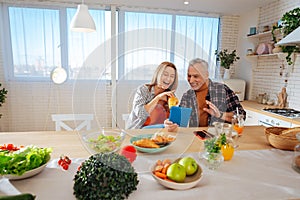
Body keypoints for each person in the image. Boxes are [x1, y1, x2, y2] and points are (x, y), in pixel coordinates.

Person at [165, 58, 246, 130]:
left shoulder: (222, 90)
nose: (191, 80)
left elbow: (241, 116)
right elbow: (179, 122)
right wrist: (169, 123)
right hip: (196, 139)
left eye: (196, 76)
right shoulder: (187, 96)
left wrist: (220, 115)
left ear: (206, 75)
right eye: (189, 76)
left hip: (219, 140)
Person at [126, 61, 178, 129]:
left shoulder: (171, 96)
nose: (168, 79)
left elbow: (173, 121)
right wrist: (158, 98)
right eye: (165, 74)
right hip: (138, 131)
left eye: (172, 76)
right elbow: (141, 114)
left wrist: (171, 122)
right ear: (158, 74)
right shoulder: (144, 90)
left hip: (160, 134)